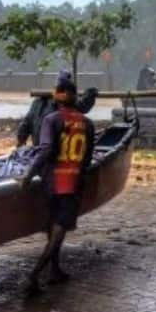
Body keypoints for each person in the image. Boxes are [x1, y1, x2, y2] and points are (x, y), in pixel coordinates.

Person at [17, 75, 95, 295]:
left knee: (54, 226)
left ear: (57, 97)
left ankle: (54, 270)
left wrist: (28, 174)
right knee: (59, 229)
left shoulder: (51, 120)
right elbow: (87, 159)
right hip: (72, 183)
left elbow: (45, 150)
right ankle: (33, 276)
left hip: (51, 181)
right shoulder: (87, 123)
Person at [16, 70, 98, 147]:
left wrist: (20, 144)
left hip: (47, 150)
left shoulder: (40, 102)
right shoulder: (41, 103)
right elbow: (26, 124)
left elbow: (25, 125)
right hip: (49, 151)